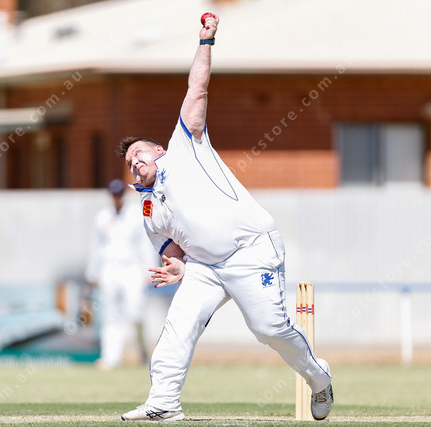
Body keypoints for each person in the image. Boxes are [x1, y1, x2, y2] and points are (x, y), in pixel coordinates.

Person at [116, 14, 334, 422]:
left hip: (250, 250)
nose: (133, 162)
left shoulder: (185, 145)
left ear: (159, 150)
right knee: (179, 324)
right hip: (205, 267)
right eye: (128, 162)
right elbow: (171, 249)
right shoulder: (147, 209)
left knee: (268, 329)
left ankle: (319, 378)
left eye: (138, 153)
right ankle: (164, 403)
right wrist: (177, 265)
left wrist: (206, 41)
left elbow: (197, 88)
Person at [85, 179, 156, 370]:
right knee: (110, 314)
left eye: (119, 194)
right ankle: (111, 357)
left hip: (132, 269)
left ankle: (142, 350)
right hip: (109, 269)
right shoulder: (102, 217)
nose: (116, 198)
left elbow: (145, 243)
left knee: (136, 311)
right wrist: (93, 273)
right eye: (113, 194)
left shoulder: (136, 214)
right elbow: (96, 247)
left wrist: (149, 270)